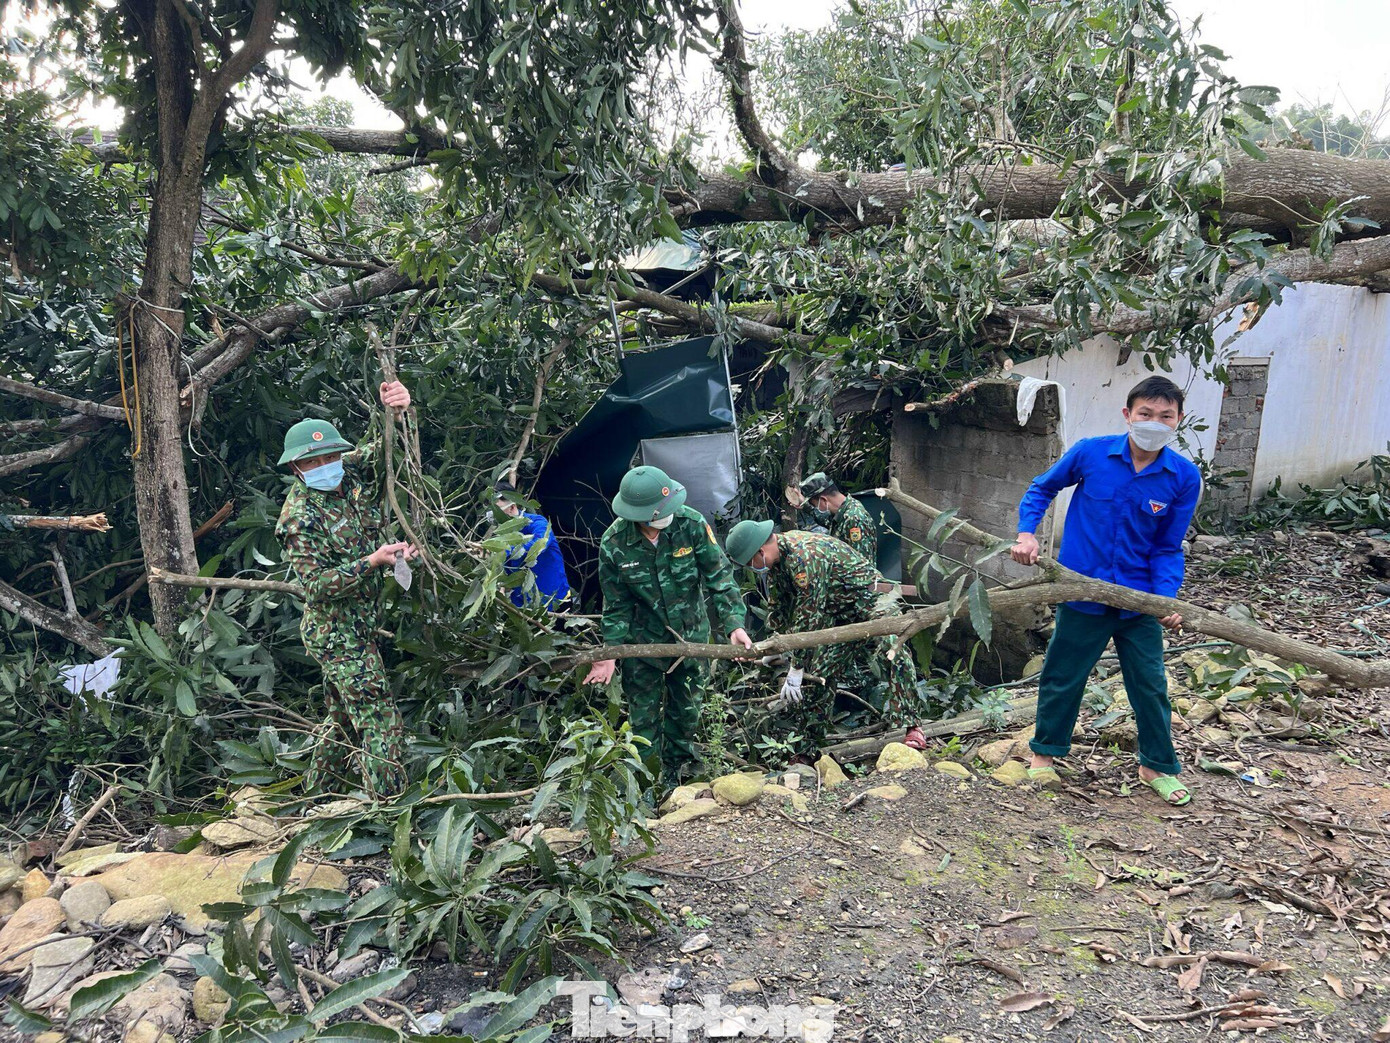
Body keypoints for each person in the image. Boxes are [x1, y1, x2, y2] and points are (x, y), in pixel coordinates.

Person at [1011, 375, 1202, 806]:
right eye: (1146, 414)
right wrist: (1027, 534)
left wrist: (1165, 599)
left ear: (1178, 421)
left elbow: (1168, 546)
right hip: (1083, 592)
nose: (1155, 422)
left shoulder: (1182, 477)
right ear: (1128, 415)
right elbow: (1043, 487)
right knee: (1063, 675)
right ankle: (1045, 754)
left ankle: (1156, 764)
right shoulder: (1091, 454)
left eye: (1165, 416)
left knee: (1150, 683)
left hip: (1139, 601)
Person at [275, 380, 419, 798]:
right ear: (296, 468)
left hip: (363, 625)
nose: (328, 464)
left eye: (333, 455)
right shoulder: (298, 518)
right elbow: (317, 586)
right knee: (378, 717)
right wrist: (371, 562)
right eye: (315, 460)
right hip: (336, 635)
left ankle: (315, 796)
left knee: (341, 717)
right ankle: (391, 808)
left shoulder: (350, 470)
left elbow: (386, 447)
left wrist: (397, 410)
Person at [584, 465, 753, 787]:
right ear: (639, 514)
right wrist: (609, 652)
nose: (668, 515)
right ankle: (646, 785)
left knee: (686, 713)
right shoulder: (614, 542)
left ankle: (679, 780)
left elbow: (719, 577)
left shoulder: (690, 524)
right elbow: (616, 604)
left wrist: (734, 625)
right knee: (642, 721)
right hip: (642, 646)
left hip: (691, 640)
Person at [725, 520, 927, 756]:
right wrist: (775, 647)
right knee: (818, 672)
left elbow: (810, 615)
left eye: (750, 564)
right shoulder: (779, 562)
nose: (753, 569)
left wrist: (796, 666)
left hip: (872, 602)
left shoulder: (805, 556)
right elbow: (780, 608)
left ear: (760, 552)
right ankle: (807, 749)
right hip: (839, 613)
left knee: (894, 649)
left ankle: (912, 726)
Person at [493, 479, 571, 609]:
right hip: (524, 606)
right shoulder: (502, 537)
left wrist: (503, 551)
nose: (493, 515)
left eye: (496, 510)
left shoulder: (538, 523)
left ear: (512, 507)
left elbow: (540, 544)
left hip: (555, 602)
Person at [797, 472, 878, 564]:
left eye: (814, 505)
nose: (816, 508)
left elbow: (862, 565)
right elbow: (828, 522)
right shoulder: (842, 511)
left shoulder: (855, 519)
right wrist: (806, 507)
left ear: (823, 500)